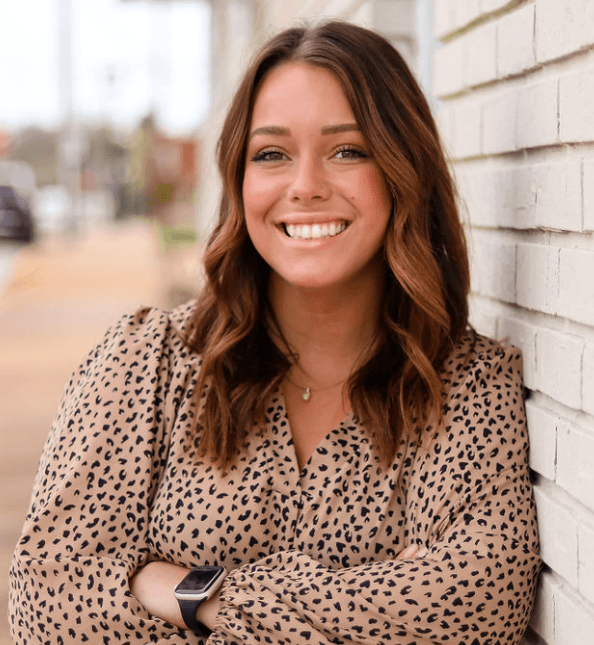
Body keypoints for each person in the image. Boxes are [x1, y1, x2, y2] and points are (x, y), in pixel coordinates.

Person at [9, 21, 541, 645]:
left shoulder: (467, 386)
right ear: (238, 180)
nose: (306, 185)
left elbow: (474, 607)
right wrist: (363, 606)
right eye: (271, 154)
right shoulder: (144, 363)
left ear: (402, 172)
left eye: (348, 150)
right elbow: (46, 604)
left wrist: (191, 594)